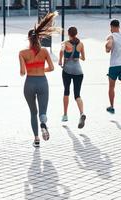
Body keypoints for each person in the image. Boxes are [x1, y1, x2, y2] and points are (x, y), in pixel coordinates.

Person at [19, 12, 59, 148]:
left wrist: (27, 68)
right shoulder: (45, 52)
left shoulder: (22, 53)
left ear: (28, 39)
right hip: (42, 82)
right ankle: (43, 123)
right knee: (42, 112)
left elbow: (22, 72)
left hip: (29, 82)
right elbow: (52, 68)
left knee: (33, 112)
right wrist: (42, 70)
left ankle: (36, 139)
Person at [58, 27, 86, 128]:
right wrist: (77, 56)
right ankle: (82, 113)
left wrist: (60, 61)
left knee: (66, 91)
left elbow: (61, 51)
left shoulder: (65, 43)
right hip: (79, 72)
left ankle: (65, 115)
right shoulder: (81, 44)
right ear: (77, 33)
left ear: (68, 33)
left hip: (67, 71)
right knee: (77, 95)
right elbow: (84, 58)